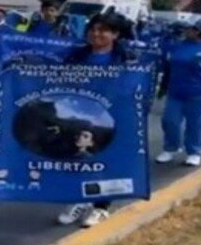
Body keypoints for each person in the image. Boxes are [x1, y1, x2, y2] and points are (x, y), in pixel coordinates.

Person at [56, 12, 140, 228]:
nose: (96, 34)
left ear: (115, 34)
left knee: (106, 161)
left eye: (102, 30)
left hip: (112, 118)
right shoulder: (75, 56)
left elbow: (136, 88)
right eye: (93, 29)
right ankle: (79, 200)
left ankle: (101, 207)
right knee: (78, 159)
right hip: (80, 114)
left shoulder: (128, 59)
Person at [155, 18, 201, 167]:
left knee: (196, 124)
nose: (187, 31)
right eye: (186, 28)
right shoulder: (177, 46)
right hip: (175, 92)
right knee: (169, 121)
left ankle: (194, 152)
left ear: (200, 31)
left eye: (191, 29)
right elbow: (169, 68)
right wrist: (163, 87)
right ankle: (171, 148)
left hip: (198, 93)